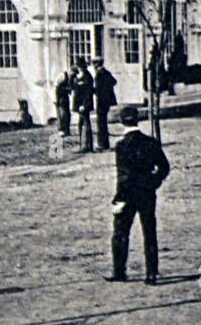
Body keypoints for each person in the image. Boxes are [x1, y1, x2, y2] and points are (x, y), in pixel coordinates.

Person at [109, 106, 170, 284]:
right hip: (147, 193)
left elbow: (124, 176)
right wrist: (153, 183)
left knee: (120, 232)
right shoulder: (151, 142)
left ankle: (120, 271)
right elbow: (164, 167)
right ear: (137, 120)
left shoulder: (122, 145)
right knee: (149, 231)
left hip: (128, 195)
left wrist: (119, 199)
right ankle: (151, 273)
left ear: (121, 122)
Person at [92, 58, 118, 151]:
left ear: (97, 64)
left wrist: (100, 91)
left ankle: (102, 144)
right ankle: (104, 143)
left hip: (102, 101)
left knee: (101, 123)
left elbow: (99, 87)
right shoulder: (106, 73)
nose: (93, 66)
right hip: (106, 101)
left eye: (94, 64)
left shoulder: (100, 74)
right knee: (102, 123)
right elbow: (114, 81)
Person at [72, 60, 95, 153]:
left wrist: (84, 105)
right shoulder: (78, 76)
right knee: (81, 124)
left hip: (83, 105)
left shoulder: (87, 77)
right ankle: (83, 144)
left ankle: (87, 145)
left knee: (85, 124)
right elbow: (73, 87)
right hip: (79, 104)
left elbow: (88, 93)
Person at [53, 67, 72, 136]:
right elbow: (56, 87)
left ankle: (67, 129)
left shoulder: (71, 78)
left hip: (65, 97)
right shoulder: (62, 76)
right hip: (59, 96)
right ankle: (61, 129)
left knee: (67, 114)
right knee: (61, 114)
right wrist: (55, 98)